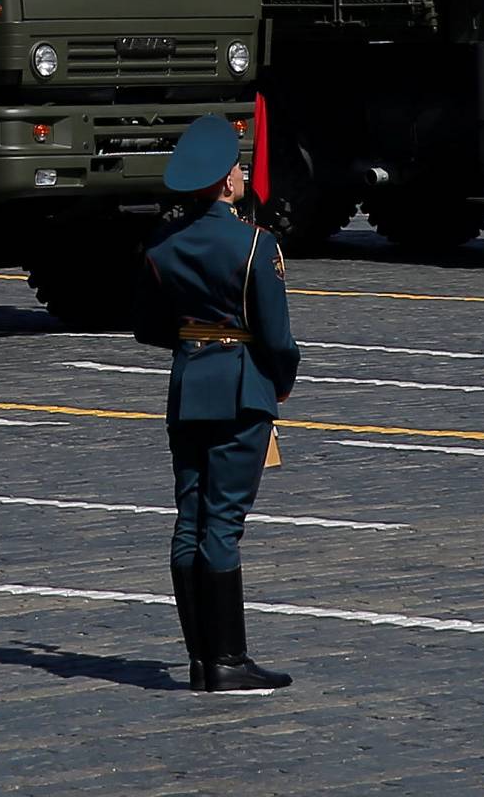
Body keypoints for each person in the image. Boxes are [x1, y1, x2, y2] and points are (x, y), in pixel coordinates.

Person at [133, 112, 300, 693]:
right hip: (241, 389)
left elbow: (149, 328)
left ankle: (201, 659)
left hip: (189, 387)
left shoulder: (163, 247)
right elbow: (278, 338)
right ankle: (229, 660)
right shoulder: (255, 245)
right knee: (224, 525)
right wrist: (279, 383)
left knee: (190, 520)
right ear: (227, 182)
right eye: (237, 166)